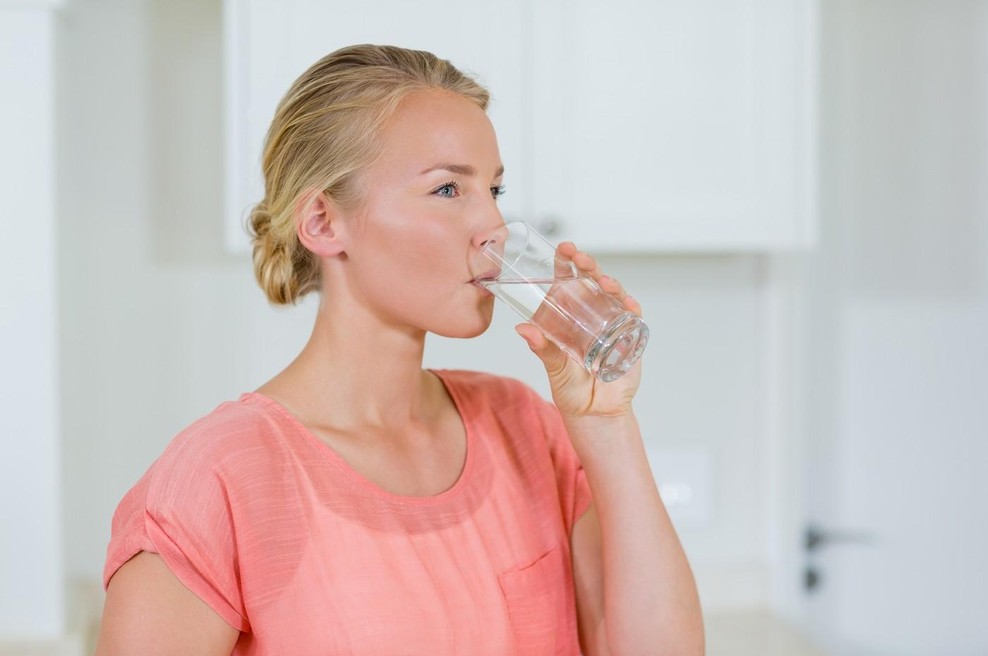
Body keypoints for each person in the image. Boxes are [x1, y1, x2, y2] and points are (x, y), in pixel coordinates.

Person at [95, 44, 703, 655]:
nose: (494, 226)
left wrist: (607, 422)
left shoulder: (524, 428)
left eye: (494, 189)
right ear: (323, 222)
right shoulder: (219, 479)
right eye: (448, 189)